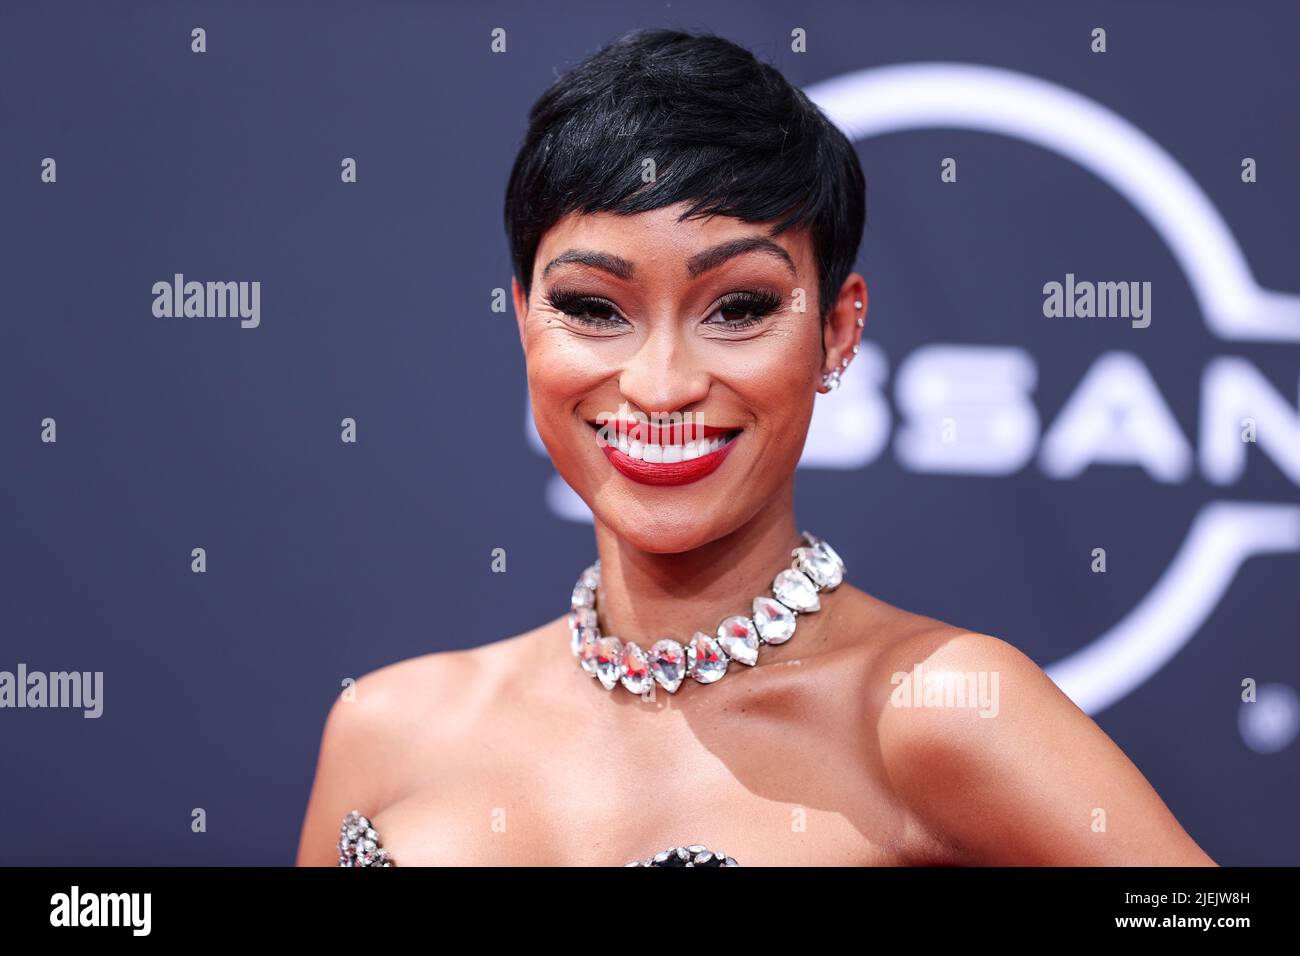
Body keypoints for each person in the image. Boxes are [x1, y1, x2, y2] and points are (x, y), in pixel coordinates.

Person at [296, 27, 1216, 867]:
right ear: (524, 323)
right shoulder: (386, 725)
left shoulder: (936, 709)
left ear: (840, 331)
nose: (660, 385)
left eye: (738, 308)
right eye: (591, 308)